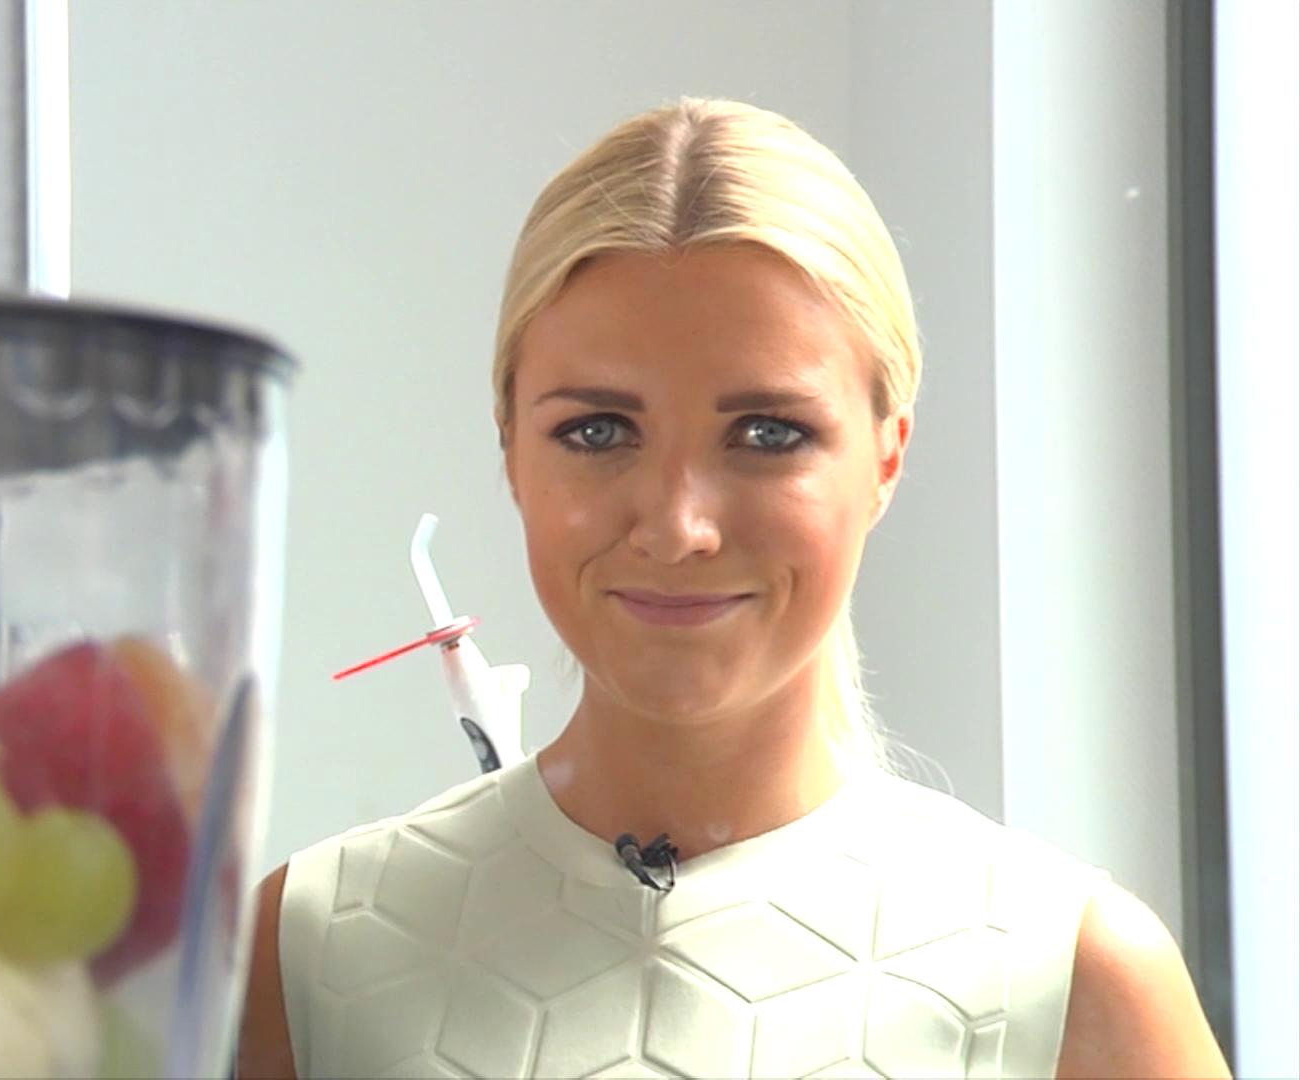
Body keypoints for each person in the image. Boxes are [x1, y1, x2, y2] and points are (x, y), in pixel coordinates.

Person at [235, 97, 1229, 1079]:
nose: (678, 528)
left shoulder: (1068, 982)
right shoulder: (312, 956)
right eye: (597, 431)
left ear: (887, 457)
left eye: (768, 434)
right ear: (510, 450)